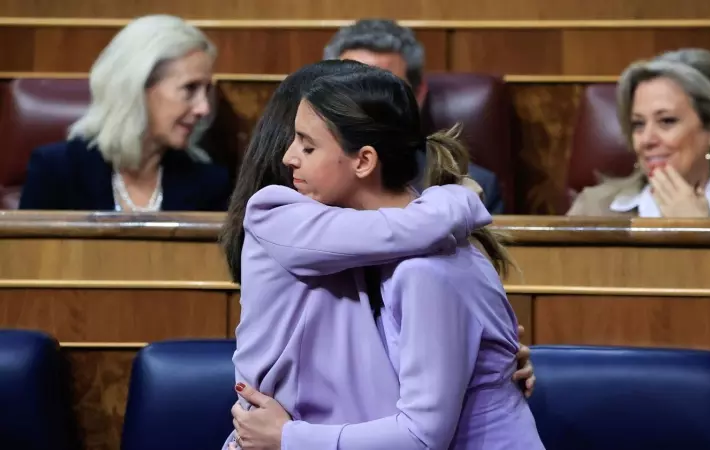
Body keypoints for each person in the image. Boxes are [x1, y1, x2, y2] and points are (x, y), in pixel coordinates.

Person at [219, 60, 535, 449]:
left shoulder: (421, 267)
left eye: (308, 144)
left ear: (364, 159)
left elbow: (421, 435)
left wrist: (491, 362)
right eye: (295, 139)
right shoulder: (281, 216)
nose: (290, 156)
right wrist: (458, 200)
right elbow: (401, 229)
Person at [19, 15, 231, 211]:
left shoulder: (210, 184)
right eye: (190, 88)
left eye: (206, 91)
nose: (204, 108)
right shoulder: (56, 171)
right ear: (136, 88)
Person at [567, 48, 710, 218]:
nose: (646, 140)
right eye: (638, 124)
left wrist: (700, 235)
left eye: (667, 121)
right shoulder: (592, 210)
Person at [323, 19, 506, 214]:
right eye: (351, 87)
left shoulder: (471, 189)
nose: (366, 104)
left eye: (386, 90)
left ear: (418, 95)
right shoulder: (299, 178)